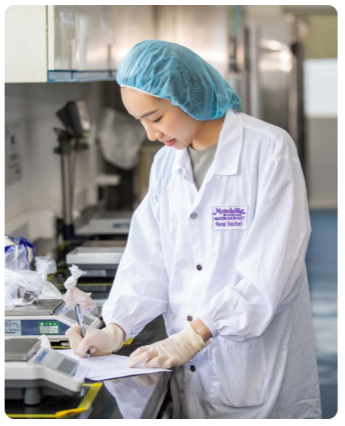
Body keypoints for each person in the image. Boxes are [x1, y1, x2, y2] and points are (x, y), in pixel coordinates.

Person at [66, 40, 322, 419]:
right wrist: (116, 329)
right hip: (191, 371)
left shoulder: (267, 149)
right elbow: (148, 259)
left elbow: (271, 269)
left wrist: (194, 335)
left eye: (155, 117)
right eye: (141, 121)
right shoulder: (166, 164)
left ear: (187, 95)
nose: (150, 133)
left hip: (255, 366)